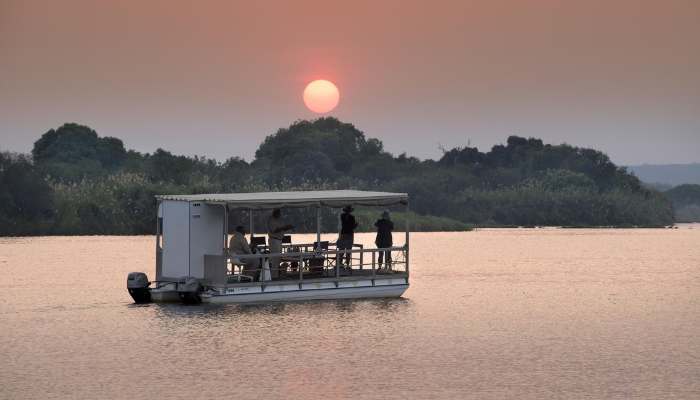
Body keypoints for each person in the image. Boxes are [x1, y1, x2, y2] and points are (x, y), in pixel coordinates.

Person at [267, 208, 293, 279]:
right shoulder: (271, 220)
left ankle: (276, 275)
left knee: (278, 259)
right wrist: (283, 227)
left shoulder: (279, 220)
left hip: (279, 240)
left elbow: (282, 228)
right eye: (278, 213)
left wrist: (287, 227)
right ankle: (273, 276)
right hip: (274, 240)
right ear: (275, 213)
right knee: (275, 259)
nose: (279, 214)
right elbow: (274, 230)